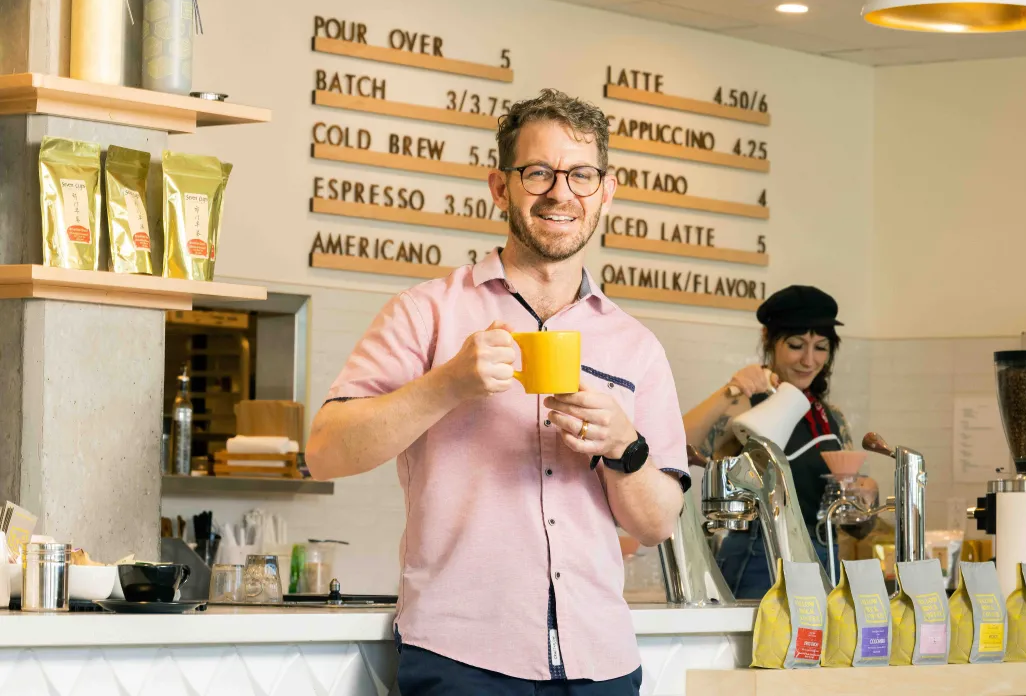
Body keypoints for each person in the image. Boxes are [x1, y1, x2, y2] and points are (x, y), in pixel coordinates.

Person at [306, 89, 689, 696]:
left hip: (602, 662)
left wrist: (626, 446)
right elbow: (325, 450)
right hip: (462, 657)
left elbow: (659, 523)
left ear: (606, 192)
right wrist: (447, 384)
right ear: (500, 187)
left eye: (582, 175)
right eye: (537, 173)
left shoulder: (636, 345)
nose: (561, 192)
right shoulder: (427, 312)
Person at [682, 285, 853, 599]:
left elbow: (853, 523)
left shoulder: (831, 419)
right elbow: (675, 448)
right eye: (796, 345)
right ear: (768, 341)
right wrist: (731, 389)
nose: (809, 360)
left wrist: (862, 495)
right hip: (757, 562)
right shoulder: (746, 405)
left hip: (821, 561)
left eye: (821, 347)